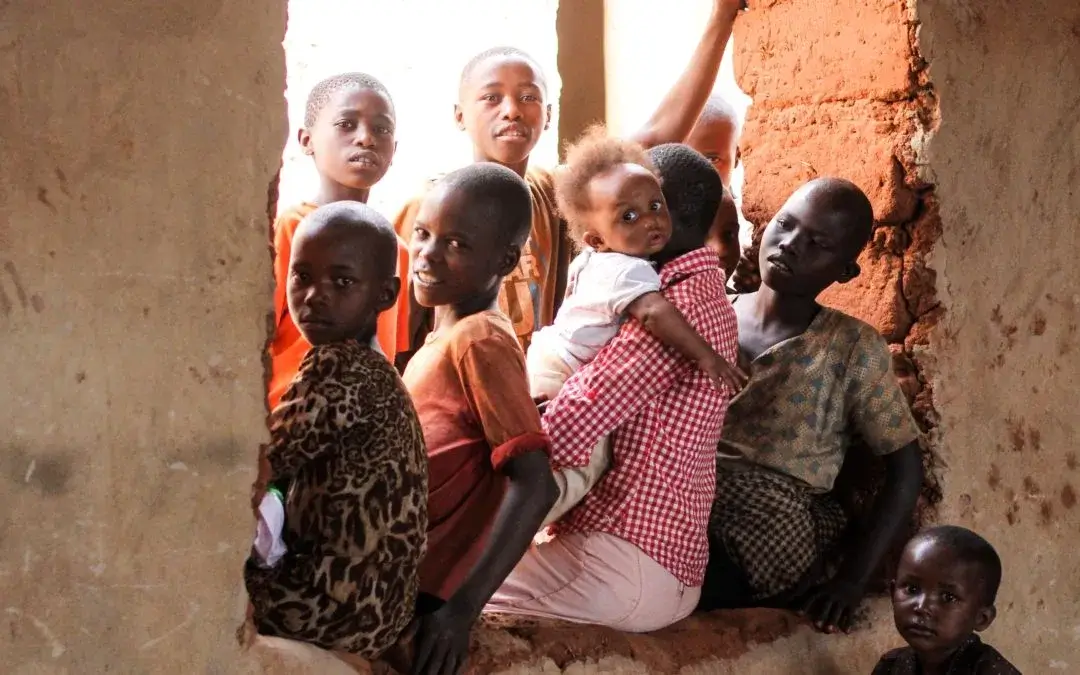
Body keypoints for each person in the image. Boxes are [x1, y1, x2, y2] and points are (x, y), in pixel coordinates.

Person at [394, 0, 748, 360]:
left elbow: (655, 136)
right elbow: (400, 332)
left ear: (547, 116)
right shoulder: (428, 205)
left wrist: (721, 18)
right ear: (459, 115)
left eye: (528, 97)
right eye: (491, 97)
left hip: (540, 392)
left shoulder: (557, 196)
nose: (512, 109)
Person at [485, 144, 738, 632]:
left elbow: (583, 413)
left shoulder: (675, 306)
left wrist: (488, 470)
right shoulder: (689, 290)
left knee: (450, 584)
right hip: (659, 562)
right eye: (627, 213)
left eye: (651, 203)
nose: (643, 218)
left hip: (628, 559)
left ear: (670, 211)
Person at [699, 178, 924, 635]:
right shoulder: (707, 314)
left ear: (844, 271)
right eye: (785, 225)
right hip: (687, 497)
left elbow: (906, 469)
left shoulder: (851, 348)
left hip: (765, 530)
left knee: (696, 572)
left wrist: (852, 582)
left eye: (818, 243)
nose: (790, 245)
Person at [530, 128, 746, 525]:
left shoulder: (598, 258)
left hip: (548, 355)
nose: (650, 222)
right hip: (562, 371)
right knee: (572, 476)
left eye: (655, 206)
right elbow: (653, 314)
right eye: (629, 216)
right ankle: (510, 529)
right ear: (596, 237)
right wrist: (706, 357)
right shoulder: (630, 271)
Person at [244, 202, 428, 659]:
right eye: (301, 276)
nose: (314, 295)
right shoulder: (379, 370)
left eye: (341, 282)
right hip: (381, 612)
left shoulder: (339, 366)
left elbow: (263, 461)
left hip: (330, 607)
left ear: (386, 296)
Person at [400, 163, 559, 675]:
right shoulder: (447, 334)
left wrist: (461, 610)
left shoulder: (480, 341)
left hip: (418, 582)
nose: (427, 254)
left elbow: (535, 484)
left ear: (506, 259)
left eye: (458, 244)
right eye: (423, 234)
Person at [268, 72, 412, 409]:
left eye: (382, 129)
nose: (366, 139)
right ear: (306, 140)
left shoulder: (395, 250)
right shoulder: (292, 229)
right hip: (293, 423)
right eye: (347, 124)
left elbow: (391, 355)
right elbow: (253, 342)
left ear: (394, 149)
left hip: (361, 427)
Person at [872, 526, 1019, 674]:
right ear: (892, 593)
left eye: (948, 597)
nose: (922, 607)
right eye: (912, 589)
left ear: (982, 618)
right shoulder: (890, 667)